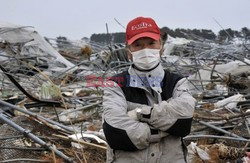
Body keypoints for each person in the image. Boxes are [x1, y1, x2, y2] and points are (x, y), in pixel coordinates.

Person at [102, 16, 196, 163]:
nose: (145, 50)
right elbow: (115, 131)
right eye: (138, 45)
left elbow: (184, 120)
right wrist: (164, 129)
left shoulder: (177, 82)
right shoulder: (115, 85)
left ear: (161, 47)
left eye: (151, 43)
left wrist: (140, 114)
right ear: (129, 52)